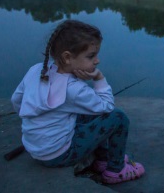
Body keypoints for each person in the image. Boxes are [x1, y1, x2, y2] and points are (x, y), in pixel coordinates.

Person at [11, 19, 145, 184]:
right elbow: (107, 107)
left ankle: (102, 159)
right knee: (118, 118)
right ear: (67, 57)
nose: (97, 61)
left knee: (86, 111)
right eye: (91, 56)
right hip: (59, 156)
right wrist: (98, 78)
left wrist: (37, 124)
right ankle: (115, 170)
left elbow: (16, 100)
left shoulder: (37, 70)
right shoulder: (74, 89)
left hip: (35, 150)